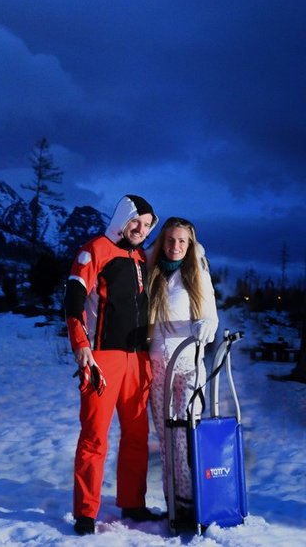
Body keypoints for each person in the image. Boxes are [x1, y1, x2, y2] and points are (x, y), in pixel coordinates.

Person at [64, 194, 164, 535]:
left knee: (137, 435)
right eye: (136, 220)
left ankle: (133, 503)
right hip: (102, 358)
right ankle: (86, 512)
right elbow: (73, 300)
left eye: (148, 225)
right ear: (123, 217)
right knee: (95, 436)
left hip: (138, 360)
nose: (140, 229)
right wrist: (81, 346)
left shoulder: (140, 257)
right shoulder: (95, 249)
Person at [145, 217, 218, 530]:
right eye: (170, 240)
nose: (175, 246)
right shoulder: (152, 272)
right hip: (158, 365)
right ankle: (174, 505)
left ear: (190, 246)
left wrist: (206, 328)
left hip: (188, 363)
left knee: (186, 434)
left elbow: (211, 319)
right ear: (161, 241)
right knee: (166, 437)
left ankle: (194, 501)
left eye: (182, 241)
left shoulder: (197, 272)